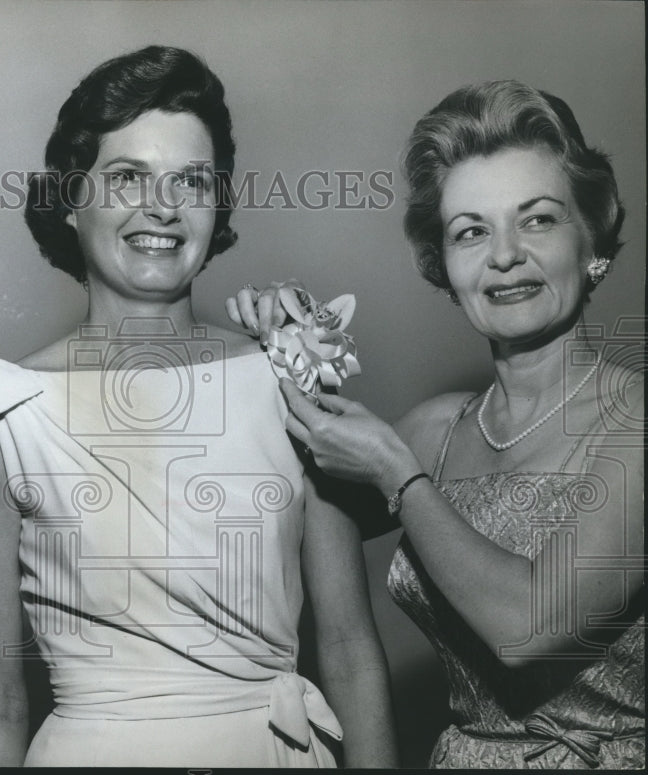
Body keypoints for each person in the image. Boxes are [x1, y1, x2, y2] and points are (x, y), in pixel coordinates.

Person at [0, 45, 397, 767]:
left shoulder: (287, 373)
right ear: (70, 198)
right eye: (127, 177)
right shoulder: (0, 409)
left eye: (191, 181)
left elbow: (349, 650)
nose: (162, 206)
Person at [229, 79, 645, 769]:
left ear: (592, 239)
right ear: (445, 267)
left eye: (537, 219)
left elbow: (527, 626)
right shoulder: (434, 431)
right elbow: (300, 537)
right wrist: (293, 356)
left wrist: (399, 474)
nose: (503, 255)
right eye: (470, 231)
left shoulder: (634, 422)